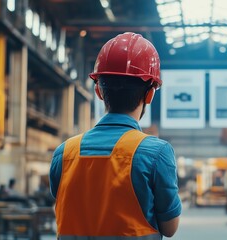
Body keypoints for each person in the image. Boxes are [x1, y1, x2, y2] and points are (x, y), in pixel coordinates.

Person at [49, 32, 181, 239]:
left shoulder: (64, 153)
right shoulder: (156, 153)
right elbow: (170, 228)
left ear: (99, 92)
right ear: (150, 94)